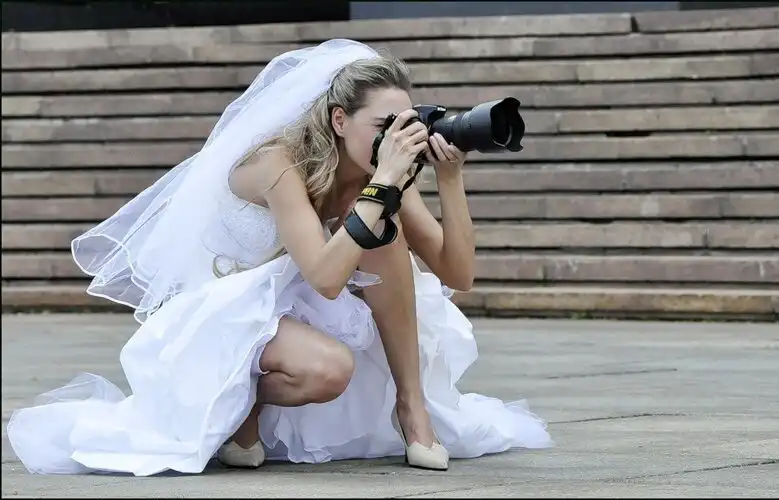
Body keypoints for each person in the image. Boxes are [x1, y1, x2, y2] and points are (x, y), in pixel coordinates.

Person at [7, 39, 553, 476]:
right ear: (338, 120)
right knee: (330, 368)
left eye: (403, 124)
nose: (396, 139)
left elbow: (459, 273)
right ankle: (241, 405)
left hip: (301, 304)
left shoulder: (381, 170)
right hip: (227, 311)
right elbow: (326, 278)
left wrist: (449, 180)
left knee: (384, 238)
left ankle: (413, 410)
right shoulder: (278, 164)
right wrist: (384, 182)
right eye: (382, 127)